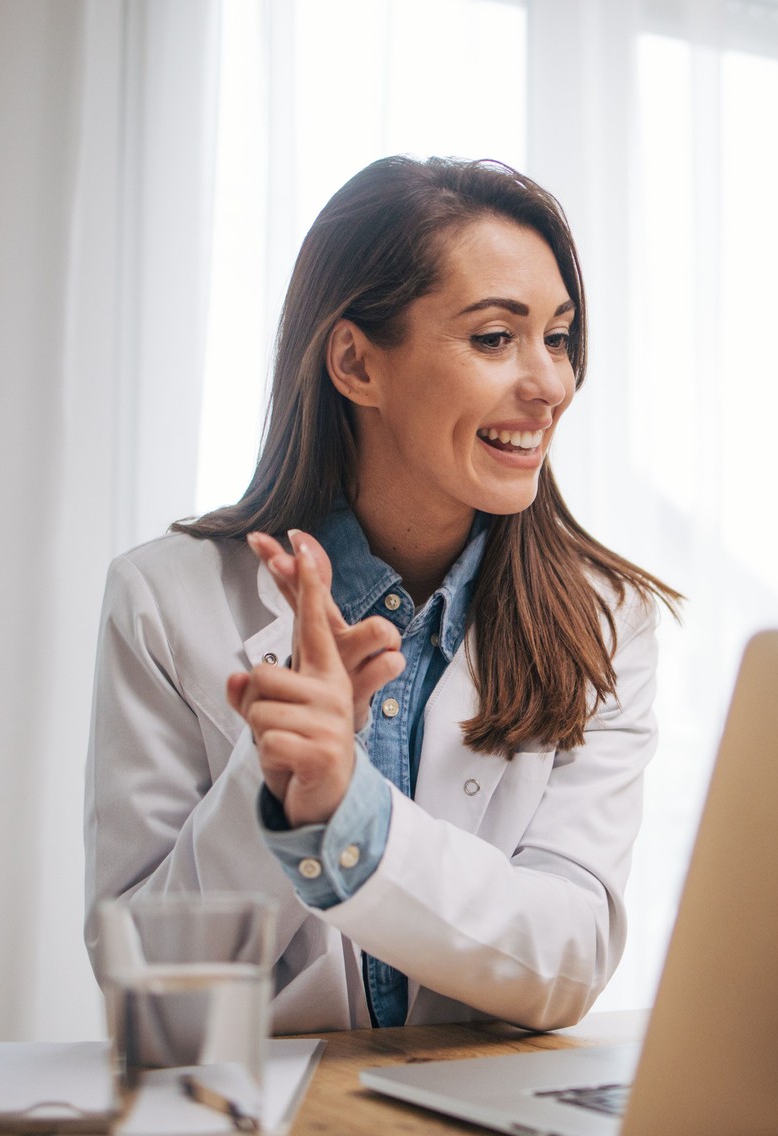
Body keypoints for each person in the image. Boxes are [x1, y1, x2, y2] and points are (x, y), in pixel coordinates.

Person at [84, 156, 680, 1033]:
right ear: (357, 363)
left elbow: (569, 957)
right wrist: (281, 788)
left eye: (557, 337)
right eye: (493, 338)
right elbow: (150, 986)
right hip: (272, 1135)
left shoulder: (604, 619)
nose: (550, 383)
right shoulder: (163, 601)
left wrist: (348, 812)